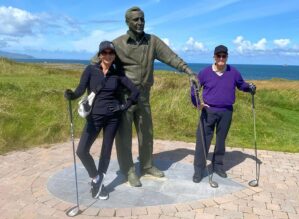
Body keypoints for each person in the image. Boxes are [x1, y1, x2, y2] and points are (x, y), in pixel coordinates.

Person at [91, 6, 196, 187]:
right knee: (123, 137)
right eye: (135, 20)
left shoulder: (152, 42)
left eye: (142, 19)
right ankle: (129, 170)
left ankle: (147, 166)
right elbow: (95, 63)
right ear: (127, 22)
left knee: (146, 133)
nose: (140, 23)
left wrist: (189, 72)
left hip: (144, 97)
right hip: (123, 98)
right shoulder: (117, 44)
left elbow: (171, 57)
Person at [64, 41, 139, 199]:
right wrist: (71, 95)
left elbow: (135, 91)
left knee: (106, 151)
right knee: (82, 150)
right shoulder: (90, 70)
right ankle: (95, 178)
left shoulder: (117, 74)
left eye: (111, 53)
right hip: (94, 117)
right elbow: (80, 89)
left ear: (114, 55)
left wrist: (124, 106)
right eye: (104, 52)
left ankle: (99, 185)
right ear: (99, 55)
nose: (108, 55)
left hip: (113, 118)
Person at [193, 45, 256, 183]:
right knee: (203, 141)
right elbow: (194, 89)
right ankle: (198, 170)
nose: (221, 58)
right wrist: (198, 103)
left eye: (224, 56)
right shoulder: (204, 72)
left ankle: (218, 166)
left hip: (226, 111)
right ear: (214, 57)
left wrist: (249, 87)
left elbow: (241, 85)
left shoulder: (233, 72)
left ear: (227, 57)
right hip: (208, 111)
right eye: (219, 56)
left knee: (221, 141)